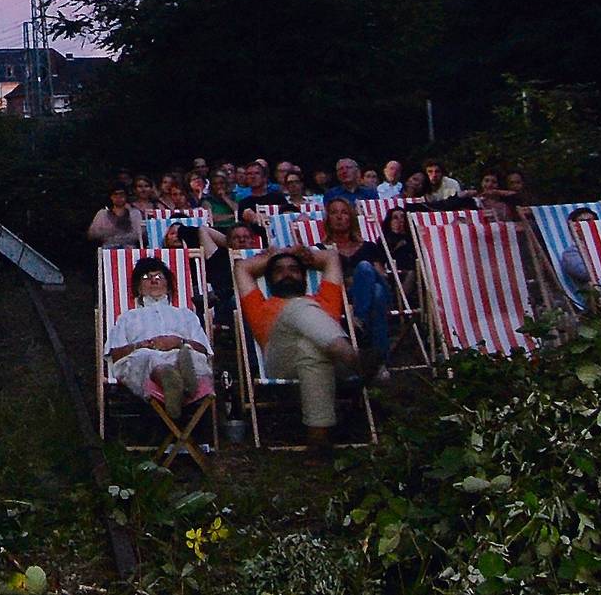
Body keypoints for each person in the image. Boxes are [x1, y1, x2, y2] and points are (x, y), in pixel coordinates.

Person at [236, 244, 363, 454]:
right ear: (269, 280)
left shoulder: (324, 298)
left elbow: (331, 257)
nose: (287, 273)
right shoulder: (259, 304)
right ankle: (353, 357)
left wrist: (304, 255)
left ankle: (318, 438)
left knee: (310, 348)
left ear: (304, 278)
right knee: (296, 306)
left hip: (327, 360)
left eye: (294, 269)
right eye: (279, 270)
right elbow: (241, 268)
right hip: (281, 360)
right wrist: (280, 255)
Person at [105, 258, 211, 414]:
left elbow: (204, 349)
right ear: (139, 289)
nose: (154, 280)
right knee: (145, 358)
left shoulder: (185, 315)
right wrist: (140, 345)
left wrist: (178, 341)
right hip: (145, 355)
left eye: (159, 277)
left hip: (180, 351)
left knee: (191, 355)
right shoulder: (128, 317)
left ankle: (178, 379)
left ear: (168, 287)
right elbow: (115, 354)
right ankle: (170, 379)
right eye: (147, 277)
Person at [318, 192, 393, 376]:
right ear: (328, 219)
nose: (339, 217)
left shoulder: (369, 247)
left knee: (366, 269)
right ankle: (380, 362)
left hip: (358, 299)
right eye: (334, 213)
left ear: (351, 218)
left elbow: (381, 275)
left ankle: (359, 321)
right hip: (344, 299)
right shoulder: (322, 250)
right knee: (376, 294)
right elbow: (325, 282)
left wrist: (360, 277)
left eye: (344, 212)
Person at [557, 206, 601, 292]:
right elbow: (586, 274)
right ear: (574, 228)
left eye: (592, 221)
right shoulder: (571, 253)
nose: (588, 225)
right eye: (582, 222)